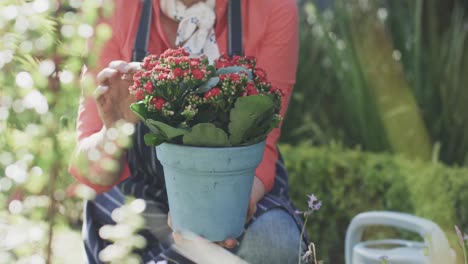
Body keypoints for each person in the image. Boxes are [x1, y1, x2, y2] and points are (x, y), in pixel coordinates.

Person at [69, 0, 306, 263]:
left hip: (239, 187)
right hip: (139, 197)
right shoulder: (112, 7)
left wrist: (226, 212)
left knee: (275, 241)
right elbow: (90, 170)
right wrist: (113, 130)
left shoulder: (273, 7)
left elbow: (266, 143)